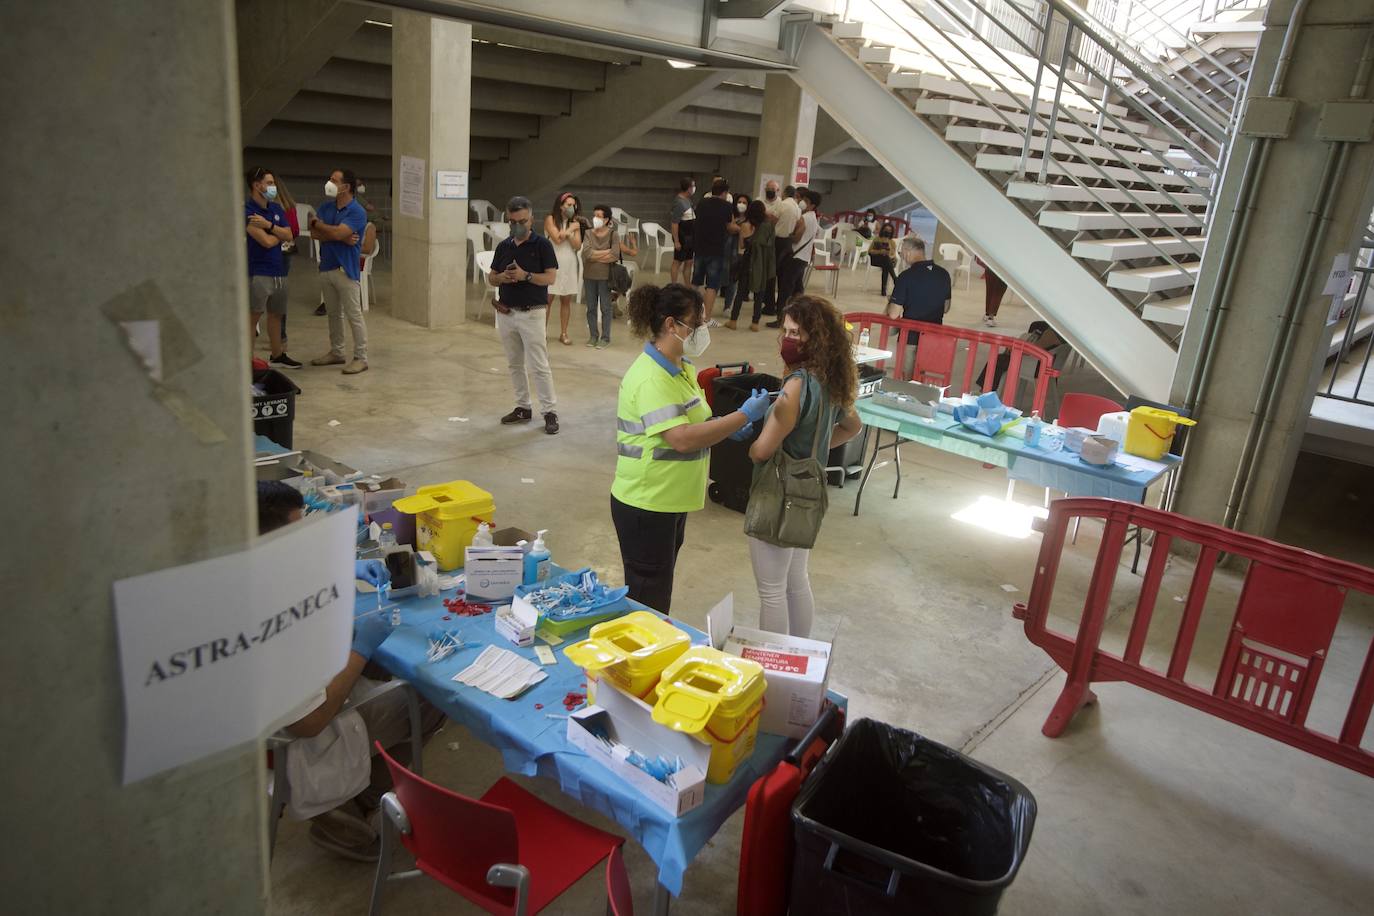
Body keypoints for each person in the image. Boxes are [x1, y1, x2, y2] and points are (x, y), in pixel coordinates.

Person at [256, 482, 444, 862]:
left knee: (378, 660)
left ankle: (357, 792)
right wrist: (359, 650)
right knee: (431, 696)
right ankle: (353, 808)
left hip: (301, 687)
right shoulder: (266, 619)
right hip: (301, 737)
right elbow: (308, 724)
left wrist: (344, 568)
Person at [611, 284, 771, 613]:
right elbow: (681, 438)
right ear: (672, 325)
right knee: (648, 598)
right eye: (695, 325)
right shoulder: (651, 378)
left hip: (669, 499)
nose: (700, 332)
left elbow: (698, 420)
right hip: (646, 503)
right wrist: (743, 415)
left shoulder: (681, 369)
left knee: (657, 588)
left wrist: (726, 427)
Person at [747, 296, 862, 637]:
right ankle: (801, 656)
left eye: (796, 332)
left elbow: (762, 451)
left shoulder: (795, 386)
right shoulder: (831, 381)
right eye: (785, 331)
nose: (788, 339)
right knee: (797, 581)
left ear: (817, 336)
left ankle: (774, 666)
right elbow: (852, 427)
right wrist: (815, 451)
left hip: (777, 494)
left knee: (771, 591)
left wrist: (749, 435)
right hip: (809, 488)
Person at [491, 196, 560, 435]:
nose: (517, 225)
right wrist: (501, 278)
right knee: (514, 363)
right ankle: (523, 407)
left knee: (539, 364)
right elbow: (491, 276)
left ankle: (549, 411)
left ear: (531, 219)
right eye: (512, 221)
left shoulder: (542, 246)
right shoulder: (504, 246)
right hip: (507, 313)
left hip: (532, 313)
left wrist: (526, 276)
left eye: (521, 220)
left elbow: (550, 278)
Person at [309, 169, 369, 374]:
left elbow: (333, 231)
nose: (330, 183)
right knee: (333, 314)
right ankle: (337, 352)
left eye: (334, 180)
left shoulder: (357, 211)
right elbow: (314, 233)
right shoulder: (326, 207)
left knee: (354, 315)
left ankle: (361, 357)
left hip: (346, 270)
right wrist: (336, 234)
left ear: (346, 187)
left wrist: (321, 225)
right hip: (326, 266)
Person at [244, 167, 302, 368]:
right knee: (253, 316)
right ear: (256, 185)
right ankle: (248, 360)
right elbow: (267, 242)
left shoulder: (276, 209)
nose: (272, 187)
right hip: (259, 271)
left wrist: (269, 226)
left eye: (273, 183)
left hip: (279, 270)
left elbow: (289, 235)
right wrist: (278, 233)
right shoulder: (249, 212)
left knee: (276, 314)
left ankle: (277, 355)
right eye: (269, 183)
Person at [771, 188, 821, 328]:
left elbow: (796, 237)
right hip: (803, 258)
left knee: (785, 290)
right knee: (798, 291)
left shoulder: (804, 218)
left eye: (805, 201)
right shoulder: (814, 219)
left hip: (795, 257)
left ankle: (781, 319)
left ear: (812, 205)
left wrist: (787, 236)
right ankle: (800, 316)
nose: (802, 202)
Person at [690, 178, 739, 318]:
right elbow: (730, 227)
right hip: (716, 250)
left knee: (695, 281)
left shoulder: (702, 203)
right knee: (712, 285)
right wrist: (740, 228)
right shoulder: (726, 207)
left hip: (699, 248)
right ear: (724, 192)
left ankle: (690, 312)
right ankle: (706, 318)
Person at [727, 199, 776, 332]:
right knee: (759, 293)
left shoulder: (745, 225)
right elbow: (770, 245)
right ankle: (755, 323)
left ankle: (733, 321)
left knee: (741, 292)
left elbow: (742, 245)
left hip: (747, 260)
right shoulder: (768, 226)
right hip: (761, 263)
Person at [581, 203, 624, 348]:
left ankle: (605, 338)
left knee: (606, 308)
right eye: (594, 215)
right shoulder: (588, 233)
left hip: (606, 277)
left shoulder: (613, 234)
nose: (595, 218)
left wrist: (595, 255)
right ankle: (593, 336)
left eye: (599, 216)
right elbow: (586, 253)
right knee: (591, 307)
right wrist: (605, 252)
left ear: (606, 219)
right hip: (589, 275)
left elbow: (614, 255)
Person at [544, 192, 583, 346]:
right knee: (548, 299)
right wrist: (569, 230)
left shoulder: (576, 223)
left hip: (569, 262)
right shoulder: (550, 219)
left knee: (566, 299)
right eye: (568, 204)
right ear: (560, 206)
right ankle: (542, 332)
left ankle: (564, 332)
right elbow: (557, 239)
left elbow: (577, 245)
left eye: (574, 205)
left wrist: (570, 231)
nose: (572, 207)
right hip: (552, 262)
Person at [887, 235, 952, 324]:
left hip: (910, 332)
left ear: (907, 252)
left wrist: (891, 301)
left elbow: (893, 314)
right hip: (935, 332)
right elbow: (946, 308)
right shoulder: (943, 274)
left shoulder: (905, 276)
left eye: (900, 253)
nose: (902, 256)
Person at [762, 181, 800, 317]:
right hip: (788, 242)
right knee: (783, 276)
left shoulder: (782, 204)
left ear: (784, 193)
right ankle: (780, 305)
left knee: (771, 274)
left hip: (777, 241)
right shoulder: (797, 207)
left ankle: (769, 306)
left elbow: (773, 219)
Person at [669, 177, 696, 285]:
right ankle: (674, 284)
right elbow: (674, 223)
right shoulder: (679, 202)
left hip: (690, 236)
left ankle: (687, 285)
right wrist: (676, 240)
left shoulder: (688, 200)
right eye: (693, 186)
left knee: (689, 262)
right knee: (677, 261)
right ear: (689, 188)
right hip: (683, 236)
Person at [867, 223, 898, 297]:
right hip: (876, 259)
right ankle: (895, 279)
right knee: (886, 262)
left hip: (887, 260)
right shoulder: (877, 239)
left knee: (886, 263)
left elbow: (893, 254)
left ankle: (883, 291)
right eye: (886, 230)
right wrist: (880, 251)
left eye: (889, 230)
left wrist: (888, 248)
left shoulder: (892, 242)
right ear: (883, 230)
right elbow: (870, 251)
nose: (887, 231)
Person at [978, 256, 1007, 327]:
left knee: (990, 291)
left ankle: (987, 314)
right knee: (998, 293)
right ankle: (990, 318)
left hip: (989, 267)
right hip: (1002, 268)